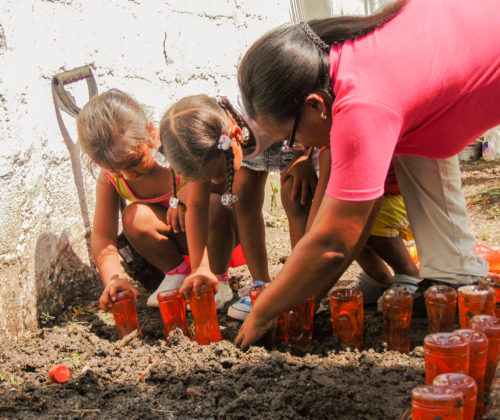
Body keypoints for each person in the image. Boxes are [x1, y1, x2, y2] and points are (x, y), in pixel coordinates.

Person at [235, 0, 497, 348]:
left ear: (315, 105)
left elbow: (334, 242)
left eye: (291, 137)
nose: (294, 147)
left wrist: (264, 312)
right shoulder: (344, 58)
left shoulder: (364, 103)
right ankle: (452, 274)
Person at [158, 94, 317, 320]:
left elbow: (301, 105)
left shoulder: (262, 109)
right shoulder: (204, 142)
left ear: (231, 137)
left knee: (295, 195)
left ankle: (304, 285)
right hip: (249, 147)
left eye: (217, 174)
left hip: (294, 139)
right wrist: (200, 267)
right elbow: (197, 206)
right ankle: (261, 283)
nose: (216, 183)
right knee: (243, 195)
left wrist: (305, 155)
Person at [77, 89, 235, 312]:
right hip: (178, 239)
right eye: (116, 170)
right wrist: (113, 278)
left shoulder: (177, 145)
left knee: (214, 204)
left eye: (134, 162)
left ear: (151, 132)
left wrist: (186, 195)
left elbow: (219, 183)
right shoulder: (110, 178)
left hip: (215, 236)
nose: (128, 175)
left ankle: (218, 279)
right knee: (134, 217)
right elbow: (103, 236)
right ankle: (177, 275)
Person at [309, 147, 420, 304]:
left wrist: (311, 295)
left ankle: (409, 274)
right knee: (346, 222)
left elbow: (317, 220)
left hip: (401, 200)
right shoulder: (327, 146)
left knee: (350, 225)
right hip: (378, 199)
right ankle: (378, 277)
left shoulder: (331, 150)